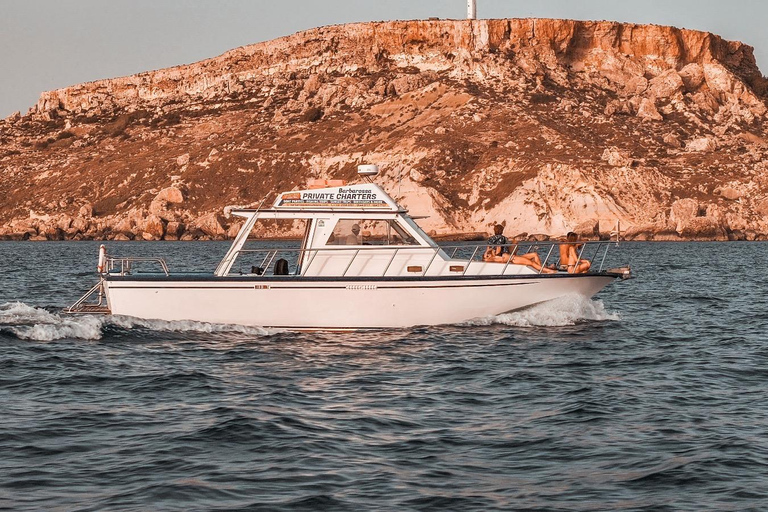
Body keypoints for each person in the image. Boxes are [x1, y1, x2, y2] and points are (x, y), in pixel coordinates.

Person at [483, 224, 556, 273]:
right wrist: (498, 257)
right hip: (507, 257)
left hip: (508, 257)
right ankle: (545, 271)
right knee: (531, 262)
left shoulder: (490, 239)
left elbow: (487, 250)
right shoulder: (502, 238)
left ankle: (540, 270)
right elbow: (499, 248)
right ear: (501, 231)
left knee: (534, 255)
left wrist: (489, 256)